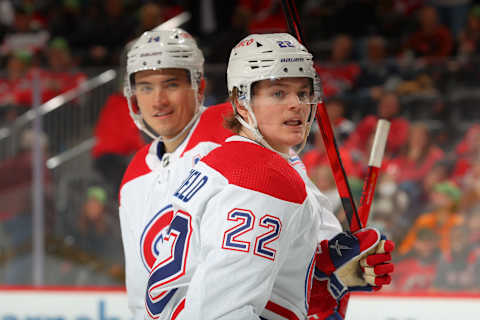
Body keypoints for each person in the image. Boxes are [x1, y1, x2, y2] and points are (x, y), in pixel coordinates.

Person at [145, 33, 394, 320]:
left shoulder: (228, 160)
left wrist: (321, 270)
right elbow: (221, 314)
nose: (297, 104)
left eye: (303, 92)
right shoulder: (263, 177)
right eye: (279, 93)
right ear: (241, 103)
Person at [118, 28, 233, 320]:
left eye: (170, 85)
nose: (158, 101)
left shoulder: (233, 131)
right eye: (145, 87)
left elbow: (302, 205)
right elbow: (139, 284)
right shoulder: (134, 175)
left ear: (200, 87)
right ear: (132, 96)